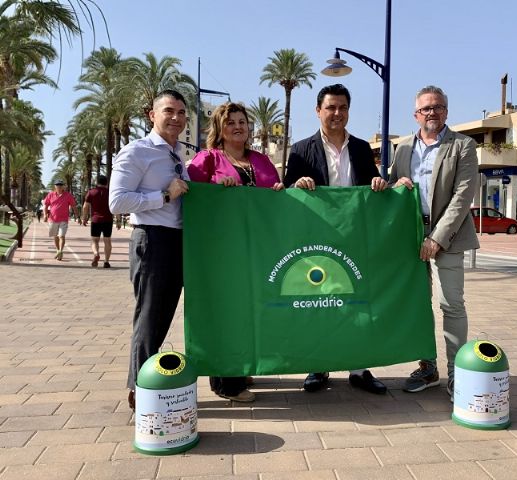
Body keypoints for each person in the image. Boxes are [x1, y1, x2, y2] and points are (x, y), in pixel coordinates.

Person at [284, 83, 388, 395]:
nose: (337, 113)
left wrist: (382, 184)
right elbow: (285, 193)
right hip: (317, 242)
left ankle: (359, 368)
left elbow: (372, 185)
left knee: (358, 301)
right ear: (318, 111)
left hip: (355, 239)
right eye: (330, 107)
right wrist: (296, 185)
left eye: (342, 107)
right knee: (319, 302)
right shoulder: (300, 149)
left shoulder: (359, 148)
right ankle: (319, 367)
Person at [188, 101, 283, 403]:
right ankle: (226, 382)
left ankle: (241, 367)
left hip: (257, 249)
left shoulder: (261, 160)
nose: (238, 126)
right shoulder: (208, 160)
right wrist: (218, 192)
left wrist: (280, 190)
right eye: (231, 122)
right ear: (219, 128)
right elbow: (190, 195)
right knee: (226, 313)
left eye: (243, 122)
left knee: (249, 309)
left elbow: (275, 192)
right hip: (222, 251)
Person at [389, 85, 479, 401]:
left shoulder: (463, 146)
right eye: (426, 108)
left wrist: (437, 238)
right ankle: (428, 368)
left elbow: (463, 196)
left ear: (446, 112)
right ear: (416, 114)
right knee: (418, 305)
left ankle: (458, 377)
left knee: (451, 304)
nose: (432, 112)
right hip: (410, 237)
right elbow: (391, 190)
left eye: (438, 107)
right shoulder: (401, 148)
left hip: (449, 238)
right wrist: (390, 183)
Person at [109, 89, 190, 410]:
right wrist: (164, 196)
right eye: (169, 111)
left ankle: (145, 382)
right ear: (151, 115)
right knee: (149, 315)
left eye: (182, 112)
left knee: (163, 316)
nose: (176, 118)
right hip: (151, 239)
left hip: (178, 242)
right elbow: (117, 202)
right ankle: (140, 388)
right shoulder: (136, 152)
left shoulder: (178, 153)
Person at [43, 179, 81, 260]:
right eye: (57, 185)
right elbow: (45, 205)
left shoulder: (68, 195)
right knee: (55, 236)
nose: (59, 187)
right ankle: (58, 250)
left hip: (63, 219)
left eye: (60, 185)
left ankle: (60, 251)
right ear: (55, 186)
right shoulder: (50, 195)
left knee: (62, 236)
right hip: (52, 219)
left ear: (63, 186)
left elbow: (74, 206)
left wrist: (78, 217)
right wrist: (45, 215)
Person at [82, 175, 114, 268]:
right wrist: (119, 220)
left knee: (94, 240)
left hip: (96, 220)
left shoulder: (91, 192)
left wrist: (84, 218)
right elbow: (115, 207)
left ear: (97, 182)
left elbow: (85, 207)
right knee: (107, 241)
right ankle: (106, 261)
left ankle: (96, 253)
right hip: (108, 220)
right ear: (106, 183)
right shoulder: (110, 193)